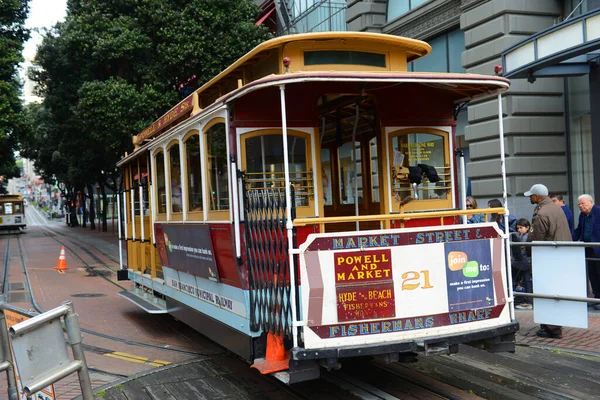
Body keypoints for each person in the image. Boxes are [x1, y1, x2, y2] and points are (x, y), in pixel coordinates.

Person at [525, 184, 572, 339]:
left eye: (531, 195)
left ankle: (552, 327)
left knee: (546, 290)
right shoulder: (556, 208)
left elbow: (537, 238)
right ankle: (551, 325)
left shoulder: (542, 213)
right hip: (560, 254)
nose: (530, 198)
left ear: (537, 196)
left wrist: (528, 250)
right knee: (555, 290)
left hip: (548, 257)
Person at [572, 194, 600, 311]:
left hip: (598, 248)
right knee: (592, 274)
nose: (580, 206)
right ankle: (597, 297)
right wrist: (569, 241)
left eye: (582, 203)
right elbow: (579, 230)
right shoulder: (583, 215)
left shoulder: (598, 211)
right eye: (579, 204)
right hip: (588, 248)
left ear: (591, 202)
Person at [512, 218, 532, 309]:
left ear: (527, 227)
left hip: (525, 262)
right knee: (526, 280)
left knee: (525, 279)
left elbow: (522, 251)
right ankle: (529, 300)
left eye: (520, 228)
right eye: (517, 228)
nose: (519, 230)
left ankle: (526, 298)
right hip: (526, 262)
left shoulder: (525, 237)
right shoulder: (523, 236)